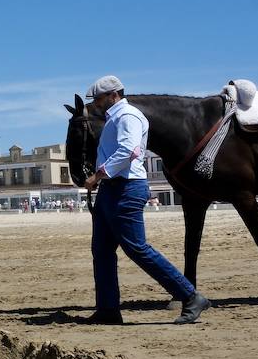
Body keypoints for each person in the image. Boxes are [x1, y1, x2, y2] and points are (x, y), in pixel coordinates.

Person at [83, 75, 210, 325]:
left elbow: (129, 151)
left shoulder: (127, 116)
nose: (96, 104)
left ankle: (191, 296)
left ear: (113, 96)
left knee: (137, 248)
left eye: (98, 99)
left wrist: (98, 175)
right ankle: (108, 309)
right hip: (112, 189)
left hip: (125, 188)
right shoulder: (115, 118)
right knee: (102, 251)